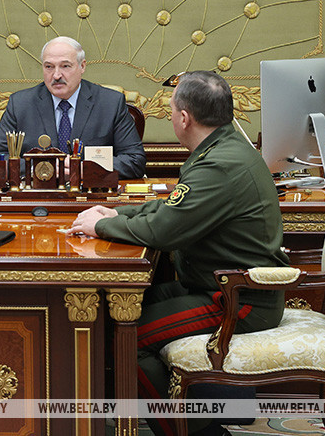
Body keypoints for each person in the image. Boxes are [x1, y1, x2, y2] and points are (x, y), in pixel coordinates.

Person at [68, 71, 289, 436]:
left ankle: (192, 431)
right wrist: (116, 214)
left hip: (240, 299)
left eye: (171, 110)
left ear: (184, 118)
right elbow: (173, 207)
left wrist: (100, 227)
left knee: (127, 337)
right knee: (114, 314)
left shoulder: (219, 165)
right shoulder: (225, 148)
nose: (171, 117)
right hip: (217, 285)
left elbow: (163, 230)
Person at [0, 36, 146, 179]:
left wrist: (83, 168)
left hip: (93, 198)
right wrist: (40, 168)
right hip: (38, 197)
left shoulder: (110, 103)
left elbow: (134, 161)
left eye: (65, 66)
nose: (56, 75)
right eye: (49, 67)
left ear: (82, 66)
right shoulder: (20, 104)